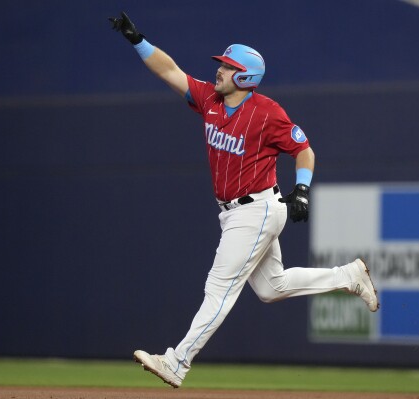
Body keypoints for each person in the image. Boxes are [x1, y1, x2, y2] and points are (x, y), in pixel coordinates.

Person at [108, 12, 379, 389]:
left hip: (258, 209)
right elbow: (169, 70)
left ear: (245, 77)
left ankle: (177, 361)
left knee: (219, 287)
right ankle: (348, 276)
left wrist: (302, 189)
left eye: (227, 67)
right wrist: (137, 40)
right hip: (236, 212)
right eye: (221, 64)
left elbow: (304, 150)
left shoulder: (267, 113)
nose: (219, 70)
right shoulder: (210, 99)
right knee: (272, 288)